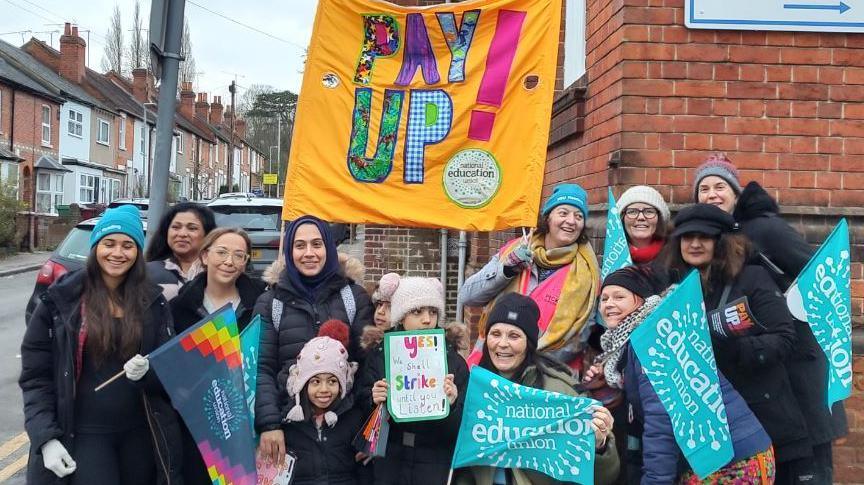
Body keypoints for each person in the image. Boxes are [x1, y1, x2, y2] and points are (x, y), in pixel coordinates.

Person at [694, 153, 845, 483]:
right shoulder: (709, 241)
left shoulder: (764, 228)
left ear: (737, 193)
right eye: (703, 189)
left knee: (807, 464)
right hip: (760, 375)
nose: (711, 195)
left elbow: (818, 275)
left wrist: (786, 305)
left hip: (797, 365)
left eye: (720, 186)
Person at [20, 206, 182, 485]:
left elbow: (171, 373)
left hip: (140, 435)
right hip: (84, 434)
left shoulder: (153, 302)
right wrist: (45, 438)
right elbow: (36, 378)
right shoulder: (61, 301)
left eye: (127, 245)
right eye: (109, 243)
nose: (117, 253)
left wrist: (149, 372)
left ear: (138, 252)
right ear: (95, 247)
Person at [661, 203, 815, 483]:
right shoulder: (674, 287)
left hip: (763, 421)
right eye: (687, 237)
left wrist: (734, 349)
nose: (694, 244)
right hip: (705, 431)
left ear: (721, 242)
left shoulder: (752, 278)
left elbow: (784, 339)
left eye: (703, 237)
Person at [587, 266, 774, 483]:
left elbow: (661, 421)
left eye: (619, 297)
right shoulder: (647, 336)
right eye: (604, 298)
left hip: (729, 461)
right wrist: (604, 387)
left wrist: (656, 481)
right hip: (731, 452)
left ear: (642, 301)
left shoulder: (651, 343)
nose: (609, 304)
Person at [454, 293, 620, 485]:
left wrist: (598, 446)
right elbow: (462, 463)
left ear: (529, 343)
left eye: (514, 336)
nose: (502, 344)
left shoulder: (559, 393)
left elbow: (602, 477)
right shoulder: (474, 389)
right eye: (496, 334)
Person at [255, 215, 373, 464]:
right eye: (300, 246)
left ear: (329, 248)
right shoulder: (270, 303)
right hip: (290, 433)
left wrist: (369, 429)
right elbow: (262, 368)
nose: (309, 253)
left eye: (316, 244)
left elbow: (368, 367)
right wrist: (269, 424)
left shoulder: (354, 298)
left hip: (345, 434)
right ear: (289, 251)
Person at [459, 183, 600, 369]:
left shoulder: (588, 272)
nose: (571, 221)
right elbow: (467, 296)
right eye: (563, 213)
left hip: (545, 377)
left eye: (578, 216)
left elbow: (579, 336)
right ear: (548, 218)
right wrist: (506, 270)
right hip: (491, 369)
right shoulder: (515, 251)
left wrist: (526, 364)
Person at [170, 227, 266, 485]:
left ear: (245, 262)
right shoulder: (180, 307)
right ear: (204, 256)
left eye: (238, 255)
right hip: (198, 427)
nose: (229, 261)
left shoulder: (261, 303)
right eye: (221, 252)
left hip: (249, 421)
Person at [357, 275, 468, 485]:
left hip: (434, 462)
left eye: (433, 312)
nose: (427, 319)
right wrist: (373, 400)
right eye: (417, 312)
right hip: (391, 461)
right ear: (400, 316)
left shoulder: (453, 362)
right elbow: (360, 410)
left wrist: (453, 405)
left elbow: (462, 427)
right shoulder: (381, 355)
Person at [282, 322, 365, 485]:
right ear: (302, 385)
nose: (324, 389)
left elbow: (363, 471)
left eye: (332, 381)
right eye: (315, 382)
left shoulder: (353, 419)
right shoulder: (288, 424)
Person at [146, 202, 216, 301]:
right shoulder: (148, 272)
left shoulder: (218, 272)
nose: (182, 234)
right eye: (176, 227)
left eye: (192, 228)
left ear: (207, 234)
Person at [615, 185, 670, 265]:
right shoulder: (612, 256)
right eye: (632, 212)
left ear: (659, 219)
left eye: (649, 211)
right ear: (622, 219)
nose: (641, 217)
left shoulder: (674, 256)